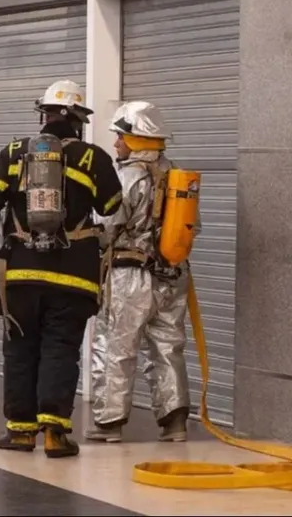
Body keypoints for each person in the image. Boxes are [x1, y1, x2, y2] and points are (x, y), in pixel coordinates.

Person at [0, 80, 123, 458]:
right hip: (75, 276)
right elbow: (110, 206)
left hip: (21, 273)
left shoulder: (13, 152)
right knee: (61, 347)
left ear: (43, 115)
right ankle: (55, 432)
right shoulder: (93, 158)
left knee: (20, 348)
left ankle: (20, 432)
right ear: (78, 120)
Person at [86, 101, 198, 443]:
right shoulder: (178, 176)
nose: (116, 144)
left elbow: (107, 227)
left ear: (136, 139)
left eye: (120, 137)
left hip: (129, 275)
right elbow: (192, 226)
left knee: (116, 345)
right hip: (173, 275)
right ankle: (175, 422)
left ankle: (109, 423)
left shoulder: (124, 176)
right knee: (168, 347)